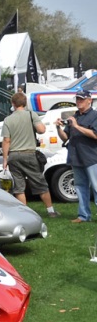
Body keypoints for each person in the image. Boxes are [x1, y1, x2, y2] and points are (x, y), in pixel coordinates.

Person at [1, 92, 60, 217]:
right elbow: (41, 130)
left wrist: (5, 159)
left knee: (19, 186)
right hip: (29, 153)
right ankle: (51, 211)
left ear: (13, 104)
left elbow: (6, 140)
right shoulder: (31, 115)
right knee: (40, 183)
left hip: (14, 155)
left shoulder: (8, 119)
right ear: (25, 103)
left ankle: (25, 213)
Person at [56, 89, 97, 223]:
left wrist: (77, 126)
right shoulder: (75, 116)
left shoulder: (95, 115)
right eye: (77, 99)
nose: (78, 101)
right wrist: (58, 128)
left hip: (92, 158)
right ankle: (83, 216)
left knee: (96, 188)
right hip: (76, 157)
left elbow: (95, 135)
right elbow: (65, 138)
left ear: (89, 100)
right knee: (80, 187)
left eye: (81, 99)